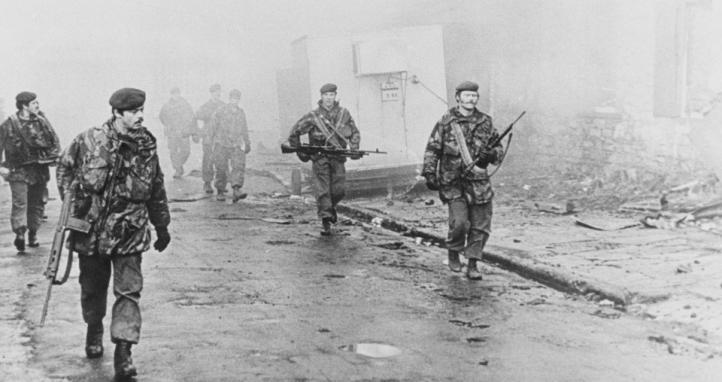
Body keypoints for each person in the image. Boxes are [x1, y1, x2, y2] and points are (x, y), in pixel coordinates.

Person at [56, 88, 171, 379]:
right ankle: (94, 327)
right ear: (117, 113)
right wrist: (74, 204)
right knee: (92, 290)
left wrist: (161, 225)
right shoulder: (89, 140)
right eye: (133, 111)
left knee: (128, 292)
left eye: (142, 110)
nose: (141, 116)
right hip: (91, 232)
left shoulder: (146, 145)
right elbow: (65, 169)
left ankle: (124, 351)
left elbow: (155, 185)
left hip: (130, 231)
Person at [421, 81, 504, 280]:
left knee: (480, 226)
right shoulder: (446, 122)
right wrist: (430, 173)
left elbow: (499, 151)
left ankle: (473, 263)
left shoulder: (486, 122)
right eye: (467, 96)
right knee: (458, 223)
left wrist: (490, 154)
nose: (471, 99)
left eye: (474, 96)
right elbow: (433, 149)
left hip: (479, 182)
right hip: (453, 182)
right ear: (458, 98)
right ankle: (453, 250)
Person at [287, 83, 361, 235]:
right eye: (326, 95)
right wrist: (302, 152)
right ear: (321, 97)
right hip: (320, 158)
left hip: (338, 157)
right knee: (322, 190)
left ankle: (330, 209)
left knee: (339, 190)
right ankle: (326, 221)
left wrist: (354, 148)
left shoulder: (344, 113)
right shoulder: (313, 116)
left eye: (332, 95)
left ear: (335, 96)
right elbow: (295, 132)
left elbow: (354, 132)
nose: (329, 98)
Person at [0, 91, 61, 252]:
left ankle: (33, 232)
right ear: (24, 106)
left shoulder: (42, 122)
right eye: (34, 103)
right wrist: (1, 166)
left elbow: (55, 142)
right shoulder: (8, 124)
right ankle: (20, 233)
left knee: (37, 203)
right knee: (20, 203)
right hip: (18, 170)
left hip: (38, 170)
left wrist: (52, 157)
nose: (38, 106)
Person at [208, 89, 250, 202]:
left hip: (236, 143)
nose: (234, 101)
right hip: (221, 143)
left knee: (238, 166)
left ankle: (236, 189)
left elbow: (244, 128)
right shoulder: (220, 111)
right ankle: (220, 191)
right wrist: (210, 142)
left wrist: (247, 142)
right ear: (229, 99)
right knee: (221, 168)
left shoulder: (241, 112)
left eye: (237, 99)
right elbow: (212, 127)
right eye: (233, 98)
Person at [158, 87, 197, 179]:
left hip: (183, 132)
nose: (176, 95)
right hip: (172, 133)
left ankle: (178, 165)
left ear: (180, 94)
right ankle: (178, 170)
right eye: (174, 94)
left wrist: (192, 131)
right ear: (171, 95)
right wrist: (168, 125)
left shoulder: (185, 105)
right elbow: (161, 116)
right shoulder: (166, 106)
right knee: (173, 151)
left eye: (177, 93)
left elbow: (192, 117)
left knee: (186, 151)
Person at [195, 84, 225, 194]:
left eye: (219, 92)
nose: (217, 94)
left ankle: (221, 183)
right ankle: (207, 183)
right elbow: (197, 115)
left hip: (221, 138)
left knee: (221, 160)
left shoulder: (223, 106)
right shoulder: (205, 106)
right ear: (211, 93)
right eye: (215, 92)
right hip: (208, 136)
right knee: (208, 159)